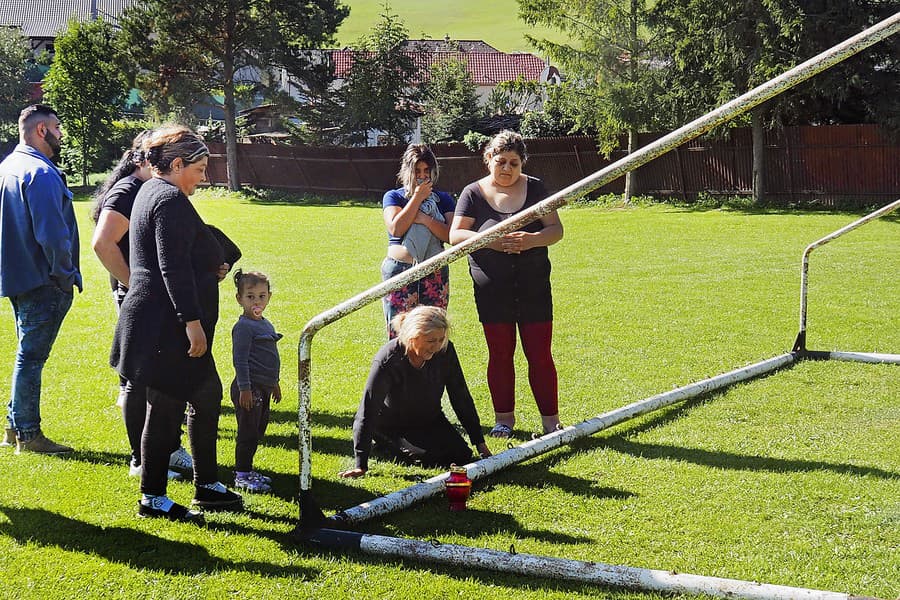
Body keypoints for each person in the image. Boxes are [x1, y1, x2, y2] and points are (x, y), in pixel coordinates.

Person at [110, 125, 242, 522]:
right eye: (199, 169)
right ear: (178, 163)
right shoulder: (165, 198)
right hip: (165, 326)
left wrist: (215, 259)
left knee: (206, 395)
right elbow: (171, 268)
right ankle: (152, 498)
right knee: (164, 408)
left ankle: (207, 485)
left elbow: (193, 245)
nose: (204, 177)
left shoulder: (157, 191)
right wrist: (193, 322)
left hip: (162, 322)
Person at [90, 130, 193, 479]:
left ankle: (168, 447)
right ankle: (141, 458)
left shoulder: (154, 190)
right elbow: (103, 243)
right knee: (138, 379)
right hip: (139, 298)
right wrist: (136, 284)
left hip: (156, 298)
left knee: (161, 376)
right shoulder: (128, 191)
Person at [449, 130, 564, 439]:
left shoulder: (537, 189)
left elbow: (555, 230)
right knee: (500, 354)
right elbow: (456, 235)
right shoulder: (472, 193)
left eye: (514, 163)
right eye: (501, 161)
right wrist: (492, 242)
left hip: (533, 286)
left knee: (540, 354)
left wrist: (531, 240)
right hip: (492, 290)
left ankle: (551, 422)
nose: (507, 169)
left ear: (522, 163)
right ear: (488, 160)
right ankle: (504, 421)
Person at [0, 105, 81, 455]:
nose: (62, 134)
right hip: (42, 280)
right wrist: (64, 275)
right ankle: (28, 434)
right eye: (58, 128)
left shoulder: (9, 166)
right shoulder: (40, 173)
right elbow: (52, 235)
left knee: (25, 355)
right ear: (42, 131)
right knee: (30, 359)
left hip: (17, 277)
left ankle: (13, 427)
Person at [339, 306, 491, 478]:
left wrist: (479, 442)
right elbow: (367, 410)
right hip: (393, 425)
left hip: (430, 419)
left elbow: (460, 395)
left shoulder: (445, 351)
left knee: (462, 455)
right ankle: (384, 444)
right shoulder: (389, 359)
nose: (436, 346)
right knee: (427, 458)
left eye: (441, 339)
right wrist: (361, 464)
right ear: (412, 337)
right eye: (430, 341)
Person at [381, 144, 455, 338]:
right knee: (399, 332)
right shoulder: (394, 196)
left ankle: (431, 368)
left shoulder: (444, 199)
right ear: (408, 172)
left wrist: (424, 219)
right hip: (401, 270)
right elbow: (396, 228)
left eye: (426, 171)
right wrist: (416, 199)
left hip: (435, 270)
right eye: (417, 171)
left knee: (433, 330)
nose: (422, 176)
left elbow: (451, 236)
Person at [230, 269, 282, 493]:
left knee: (258, 429)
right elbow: (240, 360)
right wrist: (245, 389)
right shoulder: (243, 327)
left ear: (269, 296)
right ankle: (241, 474)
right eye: (250, 296)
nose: (256, 301)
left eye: (261, 296)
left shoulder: (265, 324)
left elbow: (269, 356)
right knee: (248, 432)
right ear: (239, 299)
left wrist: (275, 383)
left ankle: (247, 468)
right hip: (249, 388)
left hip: (263, 387)